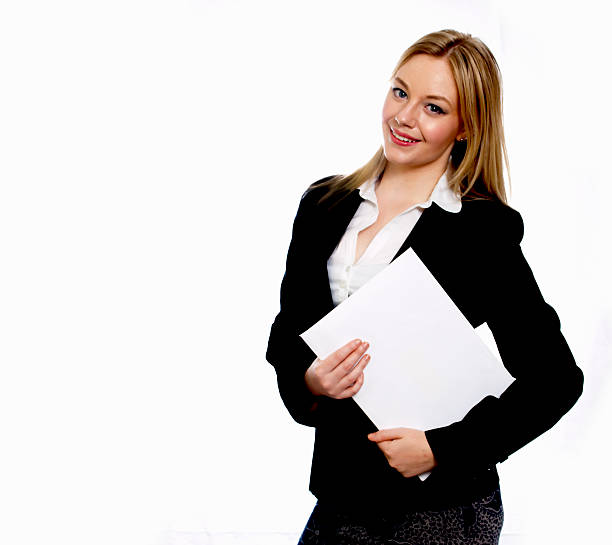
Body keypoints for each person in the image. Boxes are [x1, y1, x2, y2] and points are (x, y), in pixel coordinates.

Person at [265, 29, 584, 545]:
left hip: (439, 509)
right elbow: (287, 334)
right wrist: (309, 382)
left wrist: (445, 449)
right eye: (400, 92)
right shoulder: (323, 206)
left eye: (434, 108)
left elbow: (555, 379)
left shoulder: (480, 232)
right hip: (340, 498)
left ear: (465, 127)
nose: (405, 117)